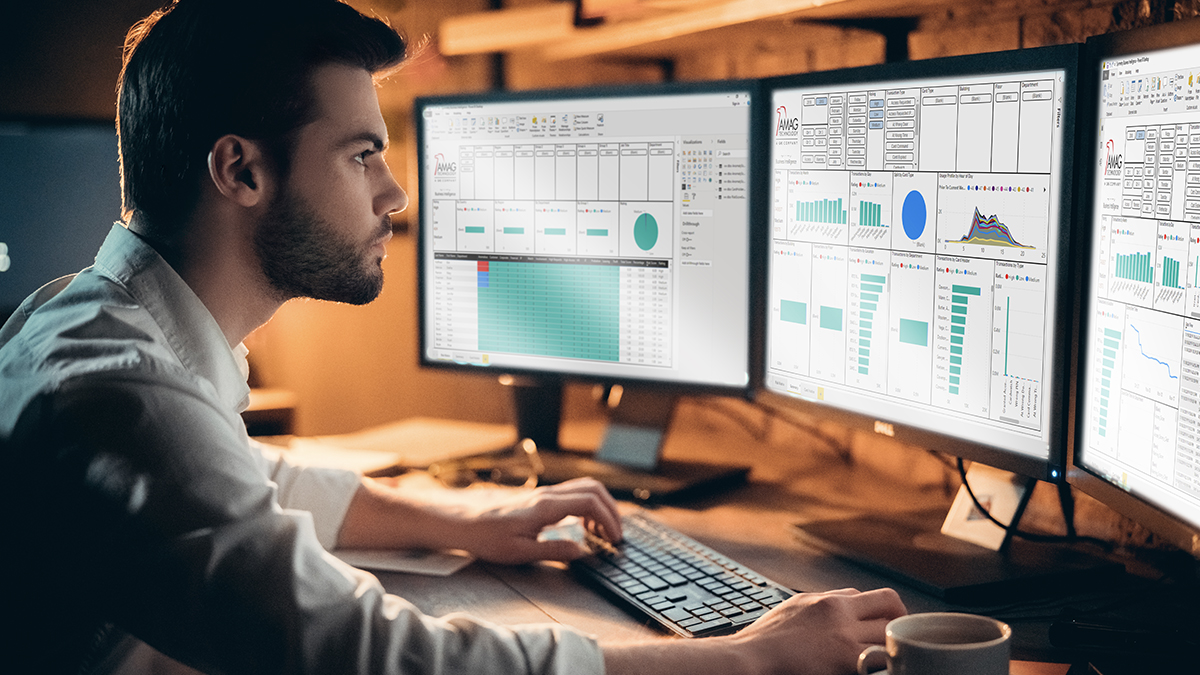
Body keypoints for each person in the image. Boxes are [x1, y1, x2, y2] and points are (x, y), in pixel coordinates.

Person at [0, 1, 906, 673]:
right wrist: (750, 660)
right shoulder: (119, 394)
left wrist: (472, 516)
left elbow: (240, 479)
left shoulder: (94, 327)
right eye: (363, 155)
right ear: (240, 169)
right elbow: (382, 660)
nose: (394, 196)